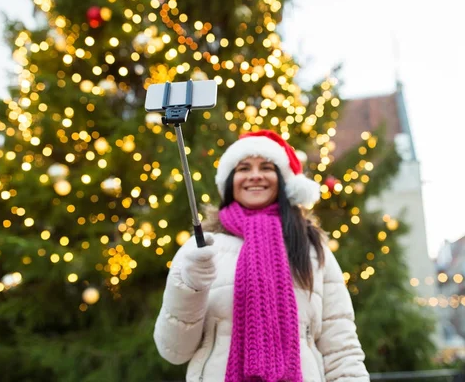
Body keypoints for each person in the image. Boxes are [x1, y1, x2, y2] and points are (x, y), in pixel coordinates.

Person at [153, 130, 370, 381]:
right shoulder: (202, 249)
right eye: (244, 168)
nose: (255, 176)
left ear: (283, 179)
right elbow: (174, 350)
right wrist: (189, 287)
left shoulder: (311, 249)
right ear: (229, 180)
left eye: (266, 167)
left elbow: (341, 347)